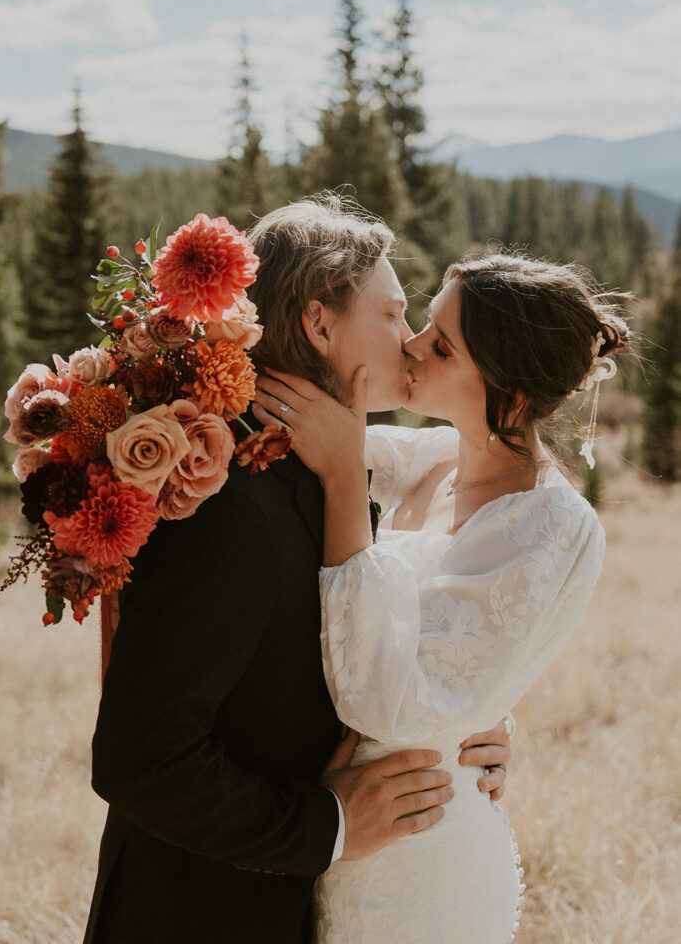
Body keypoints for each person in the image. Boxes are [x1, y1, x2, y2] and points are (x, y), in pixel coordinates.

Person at [82, 199, 512, 944]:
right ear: (317, 323)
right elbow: (139, 759)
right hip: (199, 915)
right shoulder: (229, 501)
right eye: (391, 314)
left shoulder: (321, 473)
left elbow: (353, 652)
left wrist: (463, 720)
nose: (410, 342)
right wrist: (332, 823)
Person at [254, 252, 628, 943]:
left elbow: (389, 706)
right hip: (343, 838)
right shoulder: (425, 462)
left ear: (509, 396)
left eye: (441, 346)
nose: (412, 347)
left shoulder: (550, 523)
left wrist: (342, 483)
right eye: (424, 323)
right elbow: (301, 429)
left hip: (425, 855)